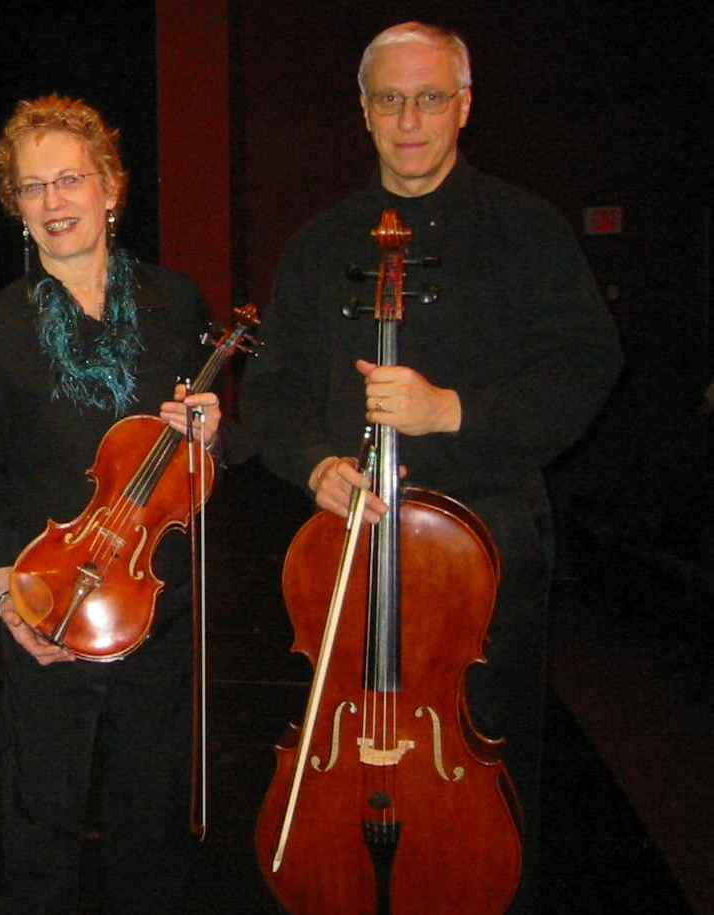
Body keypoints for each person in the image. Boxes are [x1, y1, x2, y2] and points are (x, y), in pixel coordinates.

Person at [240, 22, 623, 911]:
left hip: (483, 565)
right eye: (388, 98)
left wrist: (451, 410)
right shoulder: (318, 241)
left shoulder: (525, 230)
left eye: (428, 96)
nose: (408, 118)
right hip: (350, 553)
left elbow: (584, 366)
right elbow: (275, 393)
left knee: (489, 774)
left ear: (463, 106)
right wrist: (314, 466)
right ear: (363, 112)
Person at [0, 95, 233, 913]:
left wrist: (210, 432)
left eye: (70, 180)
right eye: (33, 186)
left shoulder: (176, 302)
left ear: (110, 187)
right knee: (39, 820)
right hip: (44, 602)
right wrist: (13, 599)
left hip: (154, 601)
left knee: (151, 823)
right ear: (15, 204)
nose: (54, 202)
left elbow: (193, 466)